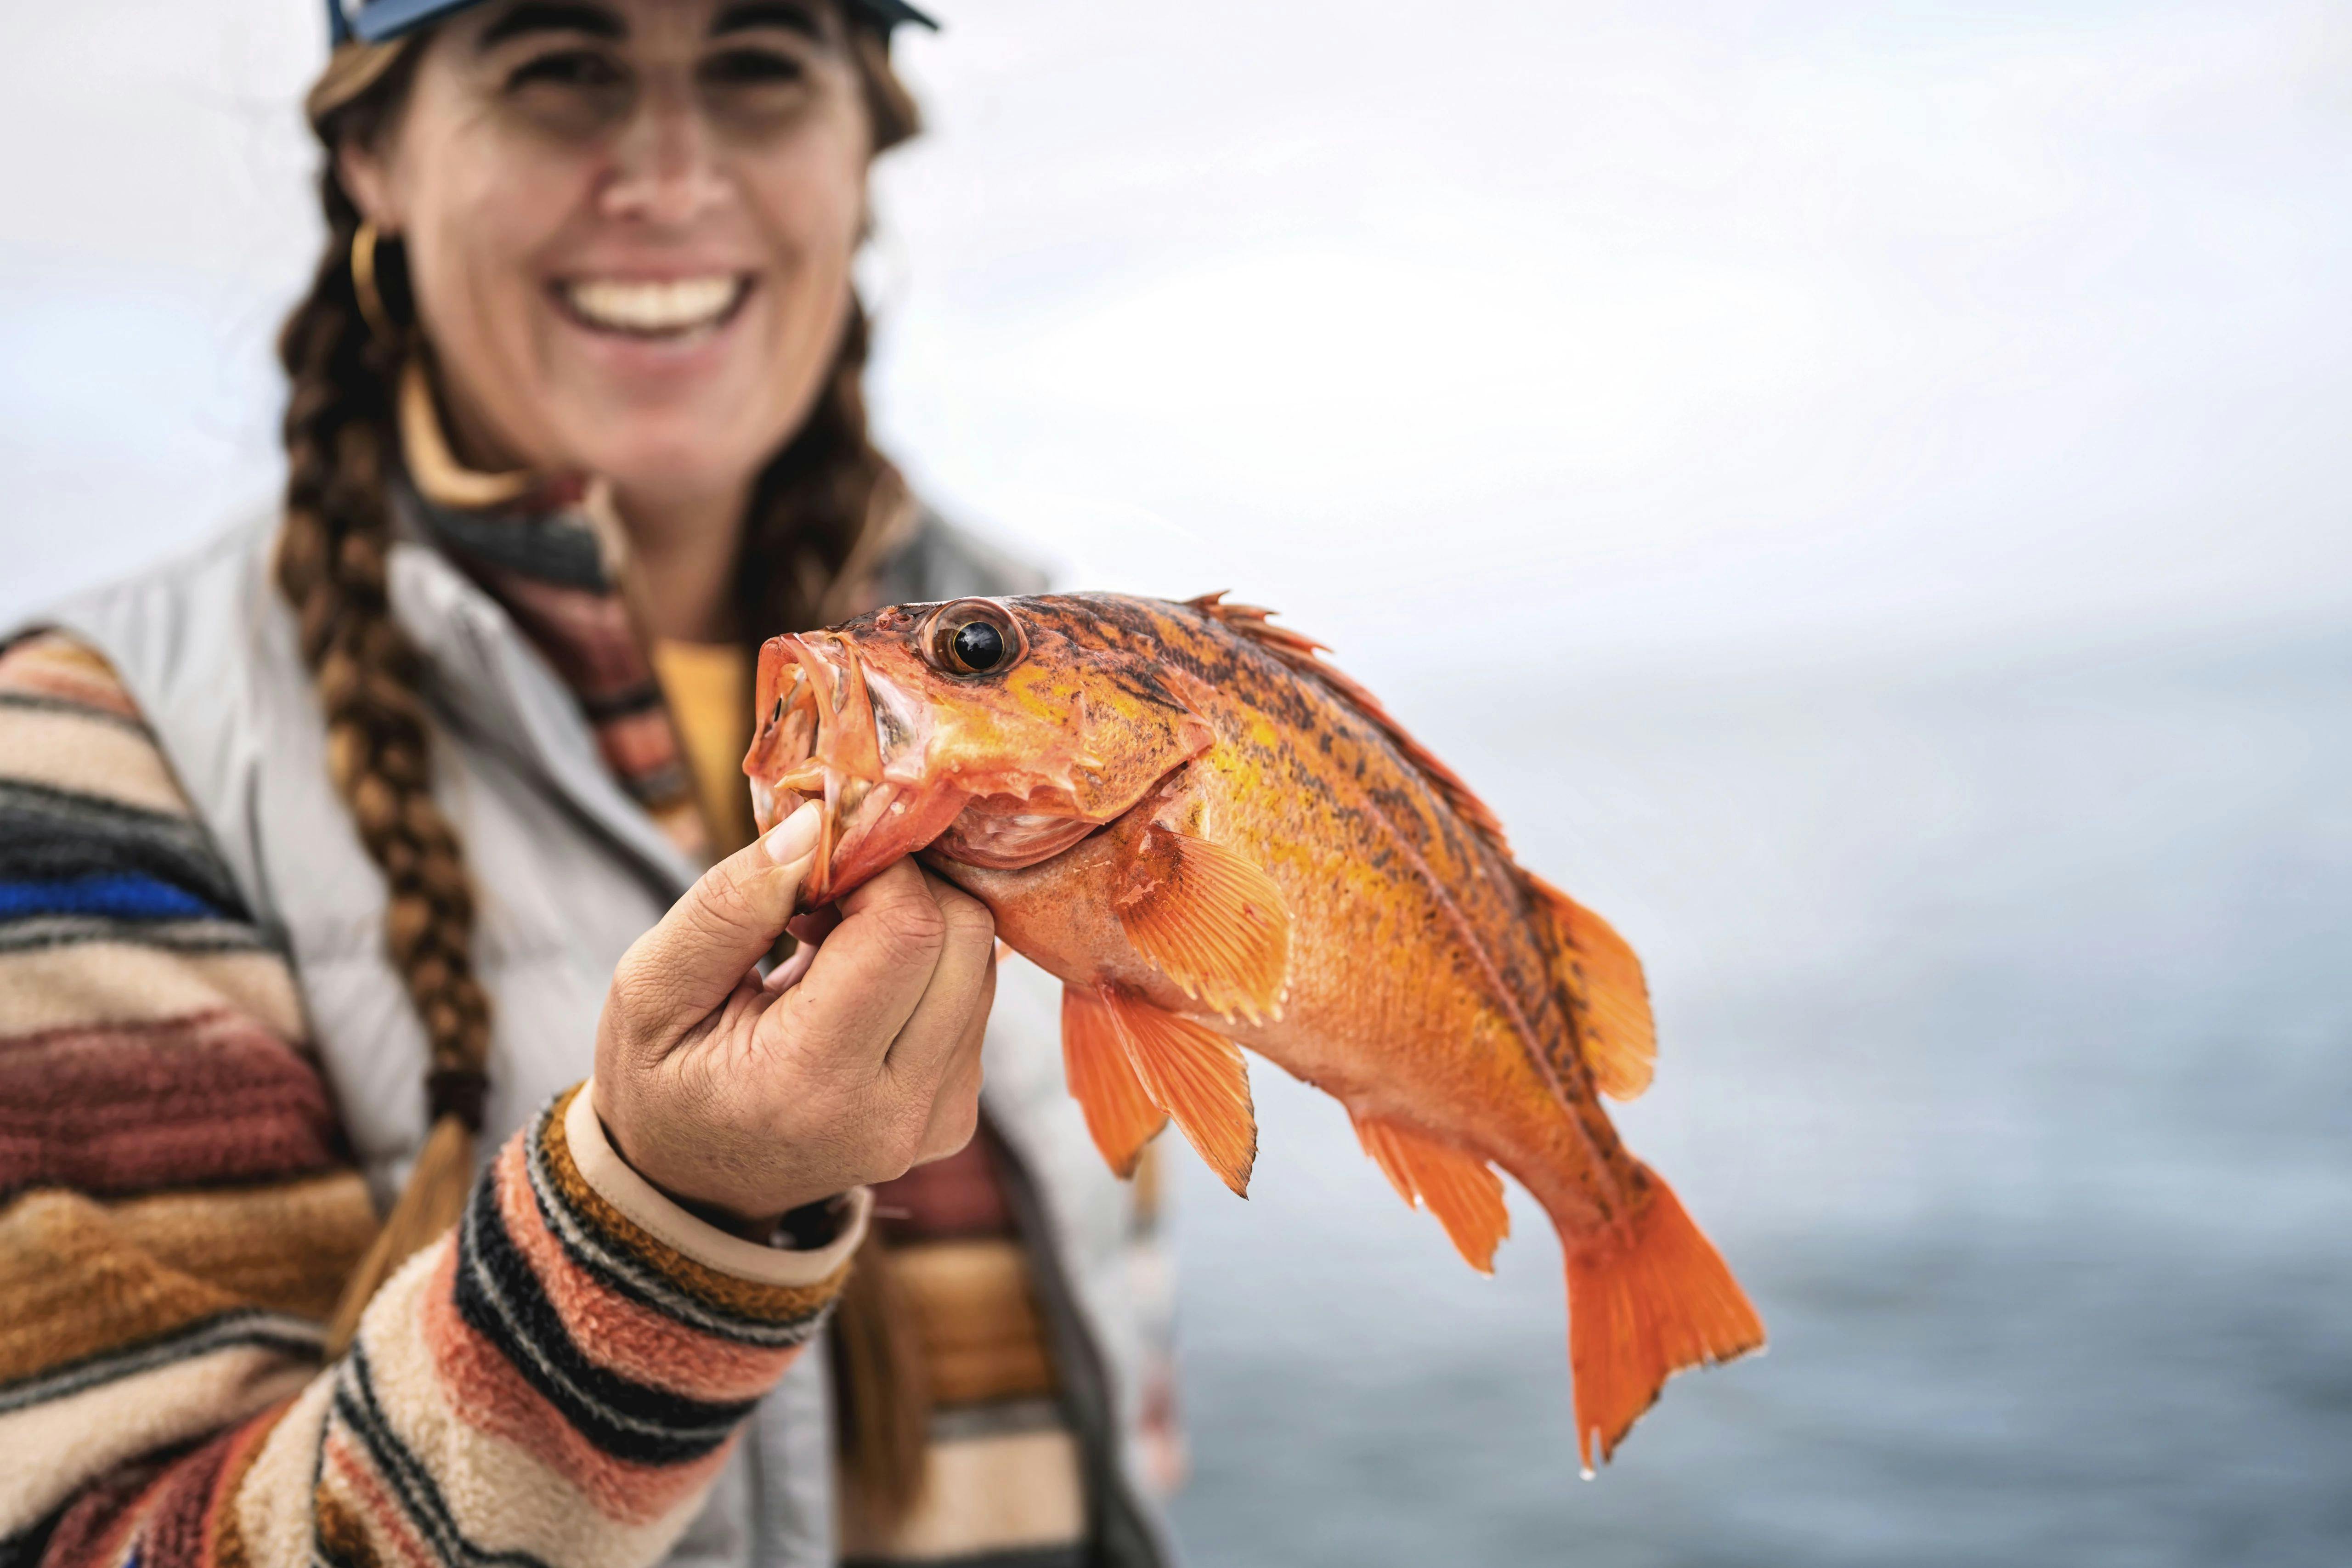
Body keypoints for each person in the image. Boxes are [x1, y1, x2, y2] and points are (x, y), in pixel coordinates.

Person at [0, 1, 1182, 1563]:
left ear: (867, 141)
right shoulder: (86, 757)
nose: (671, 174)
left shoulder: (1094, 717)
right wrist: (659, 1221)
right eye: (560, 72)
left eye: (759, 67)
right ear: (373, 156)